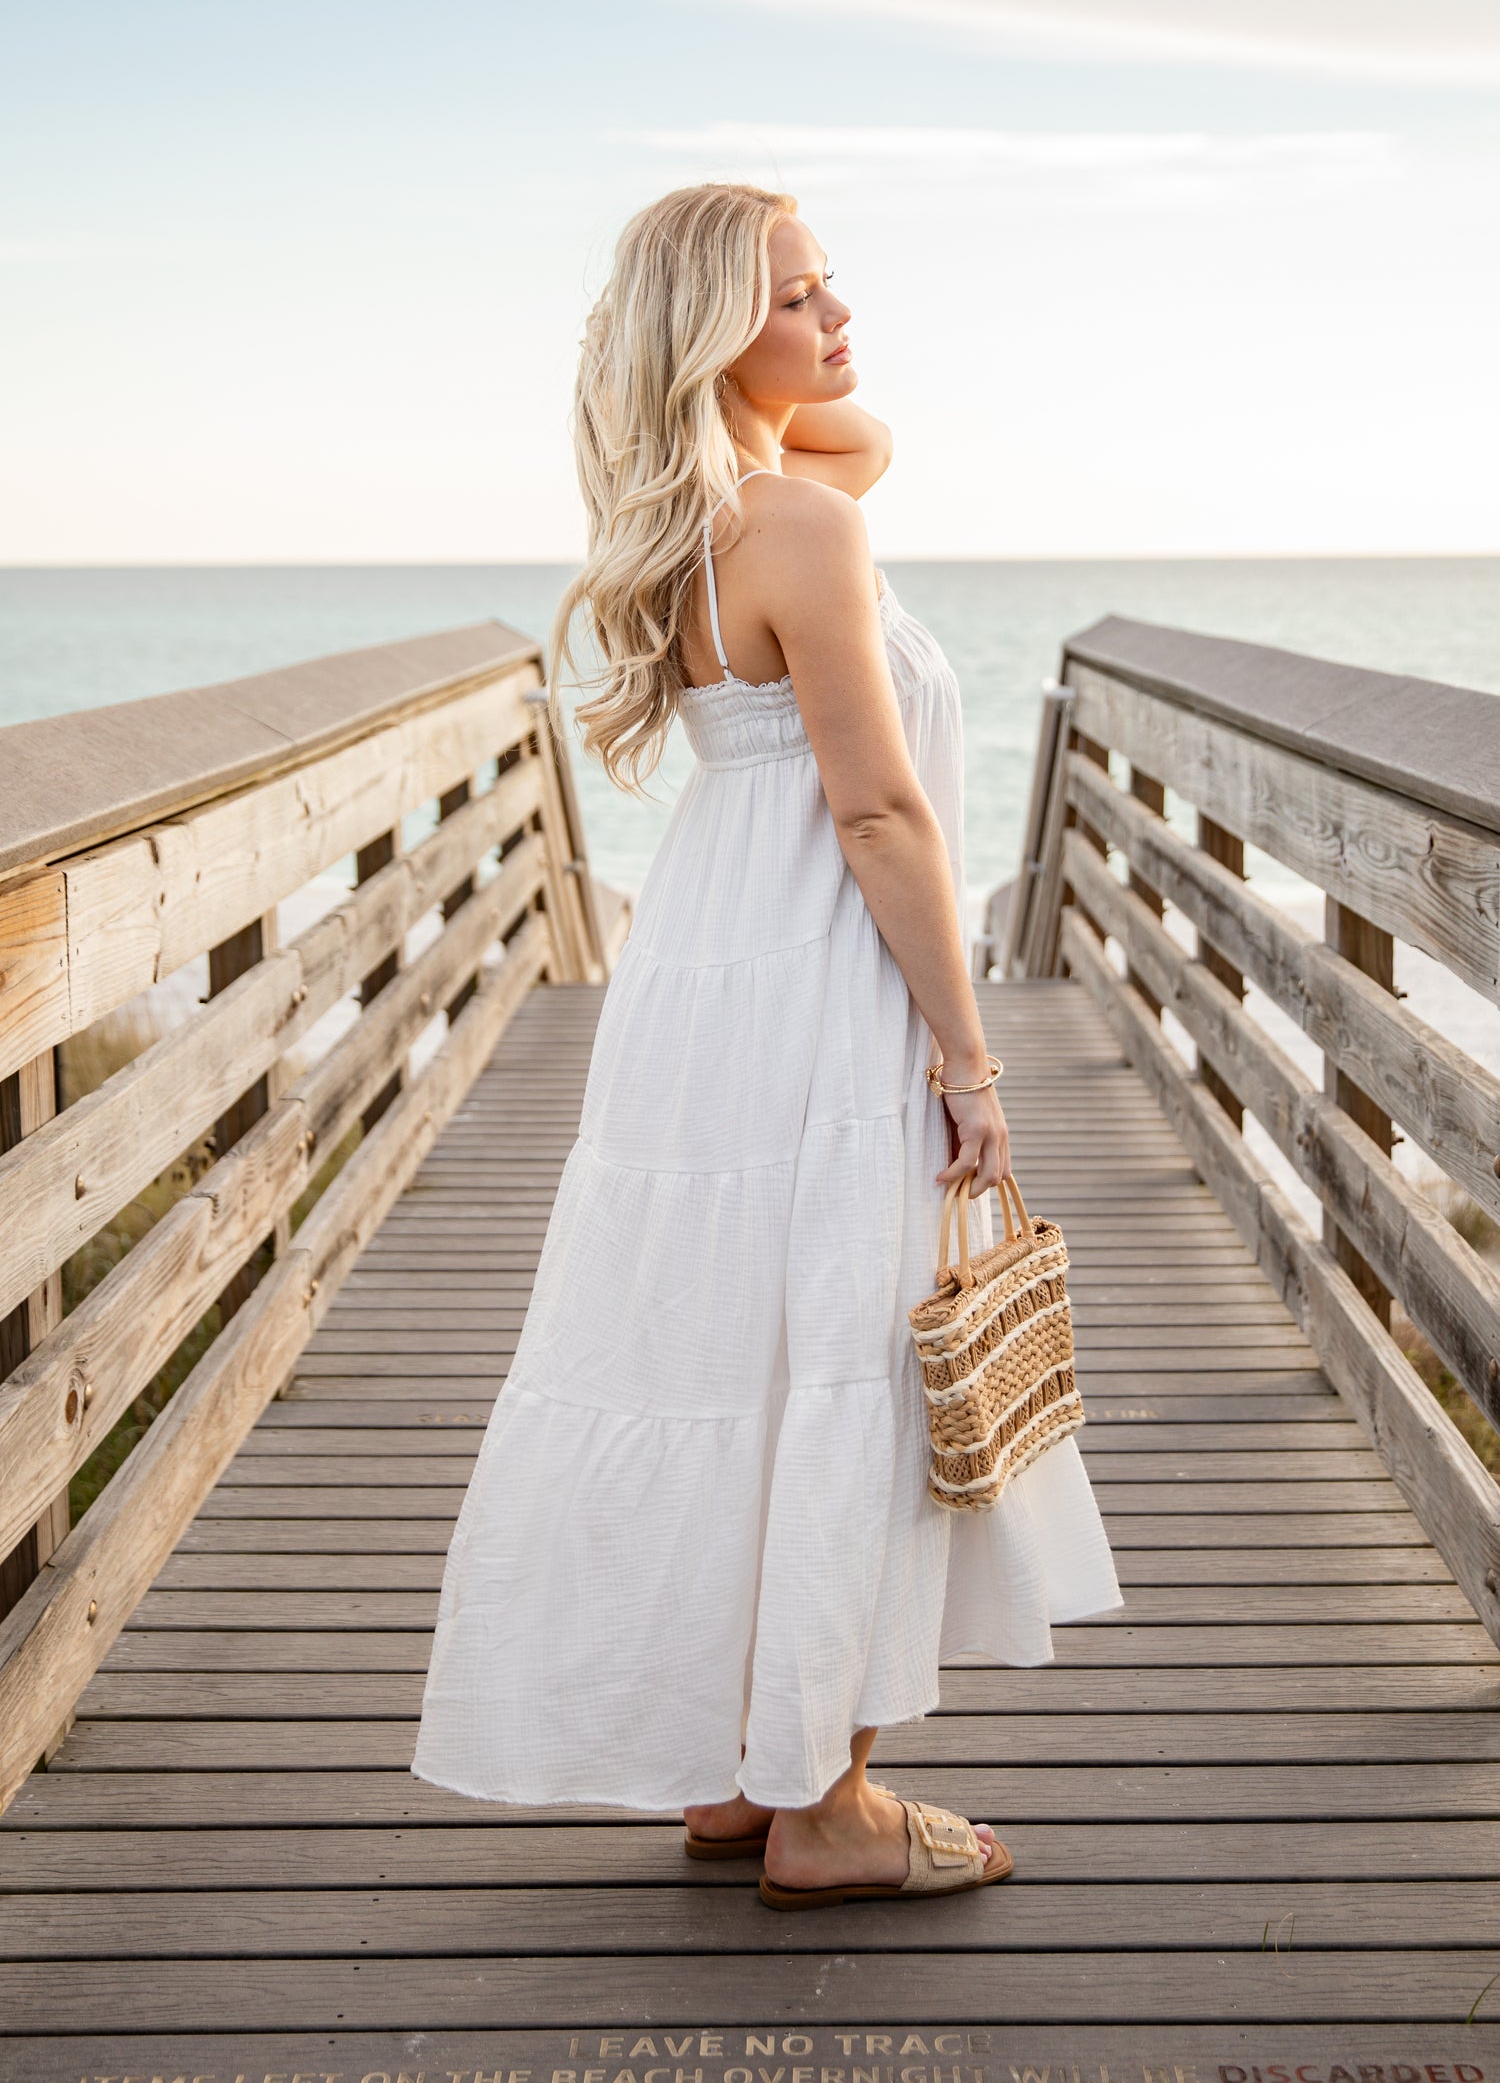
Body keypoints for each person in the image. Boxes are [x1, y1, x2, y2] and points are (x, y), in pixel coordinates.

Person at [411, 181, 1121, 1907]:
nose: (841, 322)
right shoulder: (803, 527)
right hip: (817, 979)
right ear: (719, 330)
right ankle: (829, 1807)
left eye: (836, 285)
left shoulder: (696, 522)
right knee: (833, 1357)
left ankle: (745, 1770)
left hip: (705, 978)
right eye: (802, 297)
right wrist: (971, 1059)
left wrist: (758, 333)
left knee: (730, 1344)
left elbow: (852, 426)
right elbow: (880, 813)